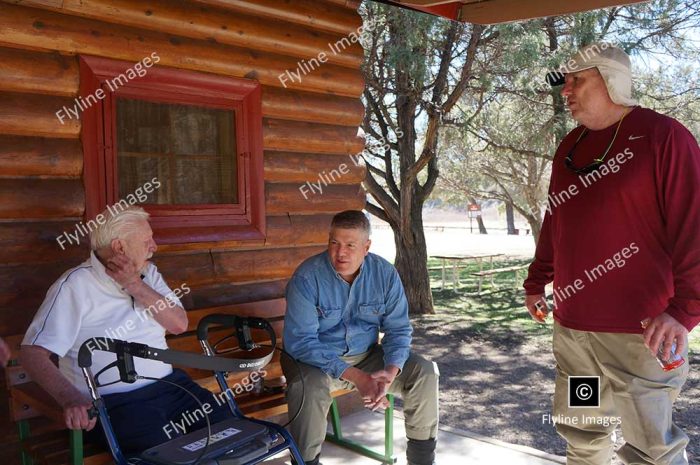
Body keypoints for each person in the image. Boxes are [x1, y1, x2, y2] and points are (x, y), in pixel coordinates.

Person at [524, 42, 700, 465]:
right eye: (563, 83)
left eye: (576, 80)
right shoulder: (569, 148)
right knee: (582, 437)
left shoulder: (663, 136)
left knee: (651, 448)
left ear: (610, 79)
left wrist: (685, 311)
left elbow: (694, 225)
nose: (565, 91)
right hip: (575, 337)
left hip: (642, 335)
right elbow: (557, 220)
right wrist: (537, 280)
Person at [20, 206, 230, 454]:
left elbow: (178, 324)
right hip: (115, 403)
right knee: (167, 454)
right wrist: (72, 400)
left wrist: (134, 285)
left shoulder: (148, 274)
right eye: (146, 240)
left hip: (171, 387)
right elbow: (32, 354)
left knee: (229, 431)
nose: (154, 246)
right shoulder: (74, 285)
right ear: (119, 248)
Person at [283, 210, 439, 465]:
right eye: (334, 243)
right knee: (307, 387)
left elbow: (398, 330)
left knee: (424, 372)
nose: (340, 252)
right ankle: (307, 462)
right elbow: (302, 343)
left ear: (366, 247)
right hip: (312, 362)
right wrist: (358, 377)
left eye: (350, 245)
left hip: (365, 356)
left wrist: (389, 372)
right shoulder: (307, 277)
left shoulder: (385, 274)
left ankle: (422, 461)